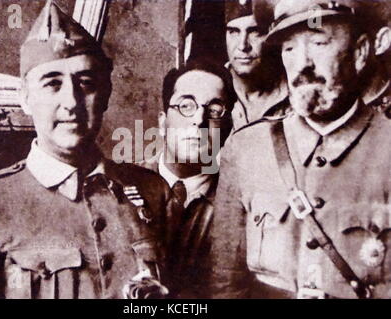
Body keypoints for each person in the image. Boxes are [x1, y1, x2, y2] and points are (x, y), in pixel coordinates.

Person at [0, 1, 176, 299]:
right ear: (25, 99)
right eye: (52, 84)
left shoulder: (152, 192)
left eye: (86, 83)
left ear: (104, 96)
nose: (71, 102)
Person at [208, 0, 391, 299]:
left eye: (319, 43)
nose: (302, 63)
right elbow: (225, 284)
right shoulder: (246, 148)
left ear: (359, 53)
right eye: (290, 48)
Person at [140, 60, 236, 297]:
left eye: (214, 110)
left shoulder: (240, 202)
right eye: (186, 106)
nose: (199, 120)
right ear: (163, 122)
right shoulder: (122, 188)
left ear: (226, 128)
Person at [225, 0, 288, 131]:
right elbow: (205, 151)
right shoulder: (211, 90)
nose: (242, 46)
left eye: (255, 32)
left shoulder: (294, 92)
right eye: (234, 32)